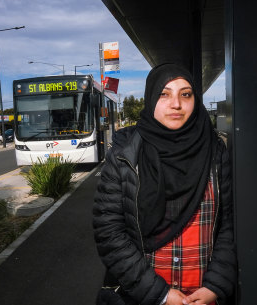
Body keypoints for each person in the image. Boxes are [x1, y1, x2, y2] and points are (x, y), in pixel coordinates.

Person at [93, 63, 236, 305]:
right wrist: (159, 294)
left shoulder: (214, 151)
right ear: (150, 99)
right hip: (143, 297)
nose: (176, 104)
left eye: (186, 94)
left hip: (203, 296)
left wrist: (216, 285)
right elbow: (109, 233)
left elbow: (227, 226)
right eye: (164, 94)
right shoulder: (124, 154)